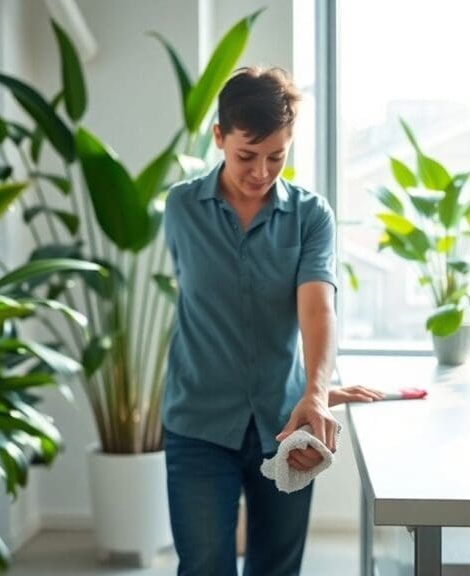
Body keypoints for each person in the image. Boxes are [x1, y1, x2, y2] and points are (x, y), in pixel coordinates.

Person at [161, 66, 382, 575]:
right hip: (197, 424)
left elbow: (317, 306)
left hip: (285, 426)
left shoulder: (311, 216)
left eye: (276, 157)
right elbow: (202, 304)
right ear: (219, 137)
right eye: (246, 156)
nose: (261, 171)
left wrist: (317, 393)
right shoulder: (181, 208)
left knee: (277, 569)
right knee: (204, 566)